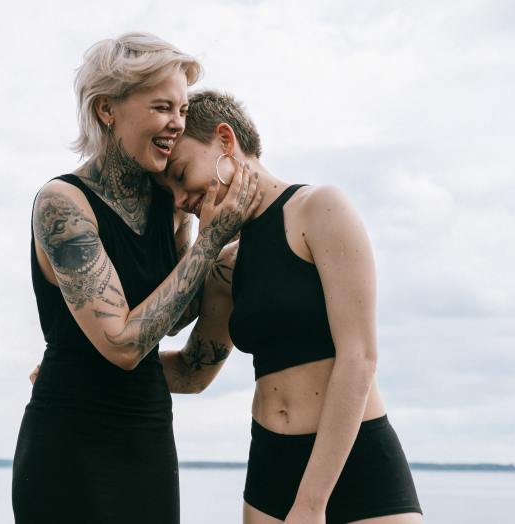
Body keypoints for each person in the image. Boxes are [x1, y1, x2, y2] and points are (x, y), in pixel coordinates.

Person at [12, 35, 262, 524]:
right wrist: (211, 242)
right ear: (107, 109)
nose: (178, 123)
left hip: (147, 438)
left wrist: (232, 261)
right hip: (67, 447)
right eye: (163, 106)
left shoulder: (164, 199)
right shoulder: (63, 204)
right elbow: (125, 345)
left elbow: (170, 314)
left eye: (183, 109)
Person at [155, 90, 423, 524]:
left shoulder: (319, 209)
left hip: (356, 465)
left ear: (226, 141)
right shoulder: (226, 263)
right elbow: (192, 371)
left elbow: (359, 358)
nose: (181, 200)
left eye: (182, 175)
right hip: (270, 470)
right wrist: (83, 369)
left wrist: (311, 503)